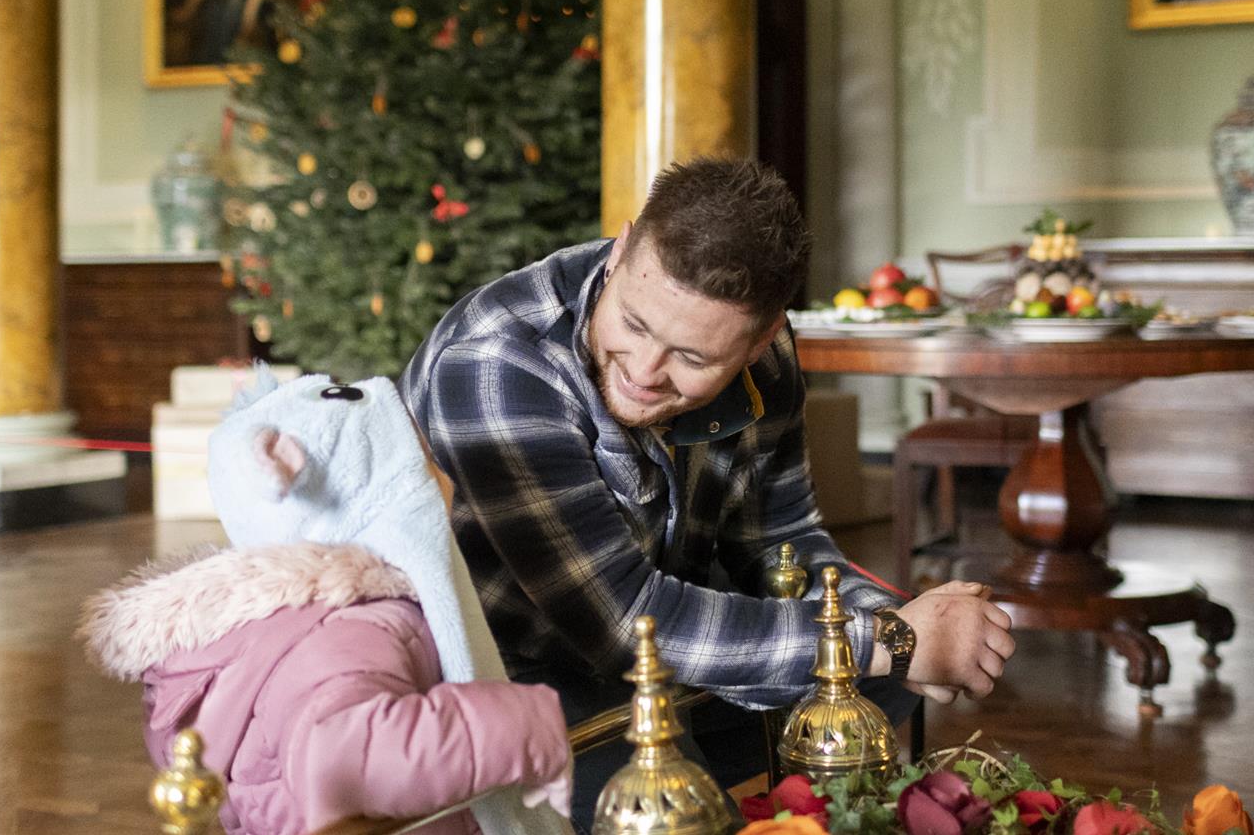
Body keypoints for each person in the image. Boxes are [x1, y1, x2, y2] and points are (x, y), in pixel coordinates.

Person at [400, 158, 1015, 828]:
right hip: (505, 671)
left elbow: (781, 543)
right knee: (856, 674)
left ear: (759, 339)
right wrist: (892, 637)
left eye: (692, 359)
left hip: (657, 643)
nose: (644, 371)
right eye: (633, 325)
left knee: (881, 679)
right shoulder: (497, 361)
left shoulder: (770, 355)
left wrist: (914, 625)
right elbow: (620, 621)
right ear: (623, 248)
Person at [81, 373, 572, 835]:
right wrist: (531, 723)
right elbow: (341, 754)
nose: (443, 476)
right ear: (378, 497)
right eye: (420, 459)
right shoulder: (359, 627)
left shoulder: (284, 617)